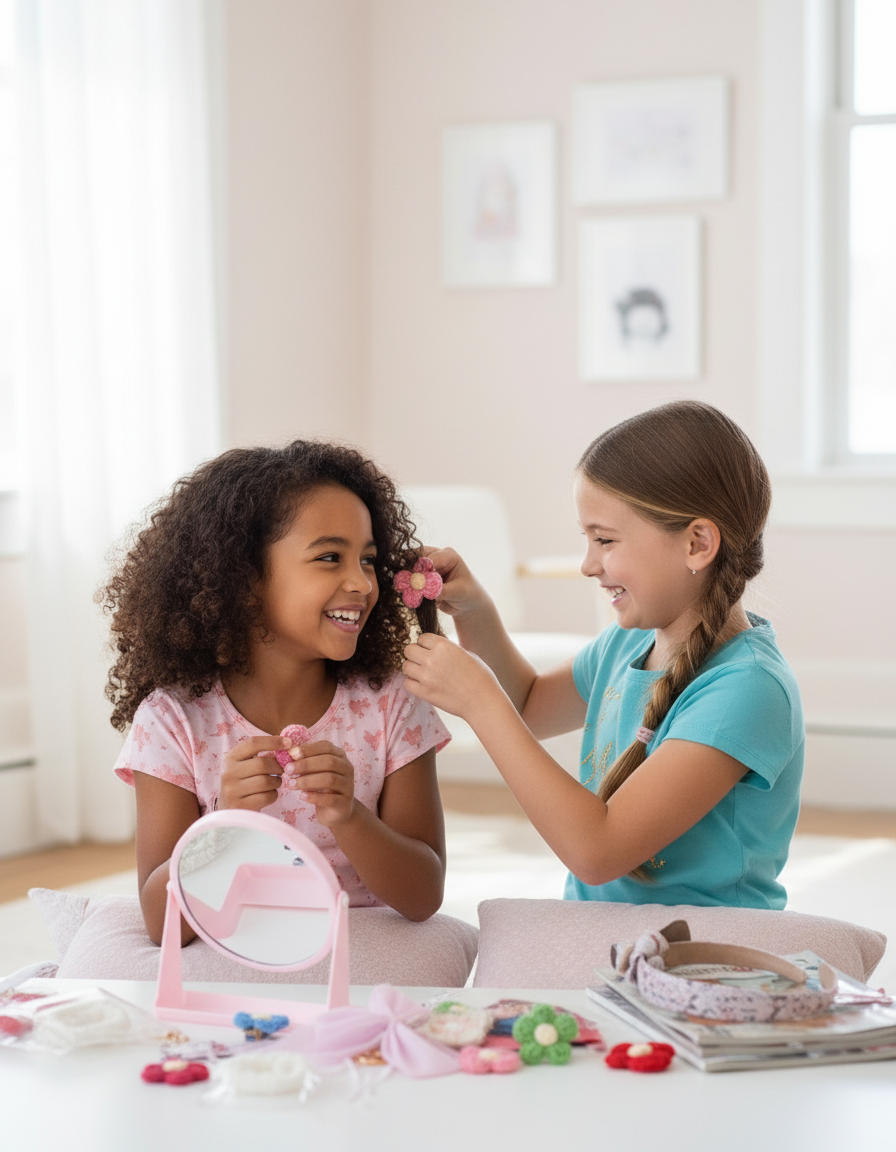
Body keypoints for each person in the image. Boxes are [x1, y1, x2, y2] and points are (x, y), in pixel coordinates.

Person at [401, 401, 804, 909]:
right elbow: (528, 704)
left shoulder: (749, 689)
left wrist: (480, 702)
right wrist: (475, 610)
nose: (589, 564)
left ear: (697, 543)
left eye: (605, 540)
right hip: (609, 940)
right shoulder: (629, 642)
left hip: (701, 957)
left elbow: (598, 851)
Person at [102, 441, 450, 944]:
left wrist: (349, 816)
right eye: (330, 557)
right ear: (243, 579)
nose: (362, 582)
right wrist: (226, 822)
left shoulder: (392, 704)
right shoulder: (172, 719)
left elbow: (423, 897)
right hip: (236, 962)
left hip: (356, 958)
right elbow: (164, 925)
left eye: (369, 559)